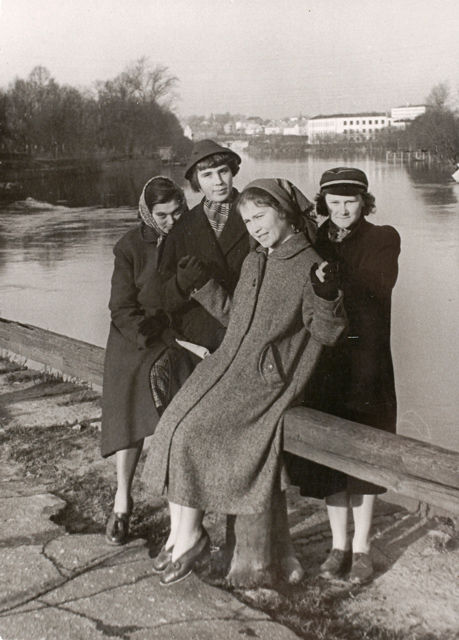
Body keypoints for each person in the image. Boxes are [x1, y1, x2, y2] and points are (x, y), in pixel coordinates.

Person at [141, 178, 347, 586]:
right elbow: (237, 317)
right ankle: (181, 535)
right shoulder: (256, 260)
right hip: (227, 367)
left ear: (285, 215)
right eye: (248, 219)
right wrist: (202, 287)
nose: (254, 226)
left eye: (261, 216)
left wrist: (326, 296)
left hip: (266, 380)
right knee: (173, 424)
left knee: (194, 433)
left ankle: (191, 537)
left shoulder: (311, 266)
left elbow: (328, 333)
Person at [286, 167, 401, 585]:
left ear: (364, 202)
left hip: (367, 363)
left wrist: (333, 283)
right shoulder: (312, 242)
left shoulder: (382, 237)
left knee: (366, 454)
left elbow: (378, 285)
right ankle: (338, 545)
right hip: (324, 363)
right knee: (331, 458)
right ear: (323, 204)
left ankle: (363, 548)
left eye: (350, 201)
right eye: (333, 203)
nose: (342, 210)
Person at [102, 176, 194, 546]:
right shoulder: (129, 246)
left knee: (181, 415)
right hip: (137, 336)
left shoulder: (193, 238)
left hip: (180, 335)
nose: (171, 221)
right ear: (147, 212)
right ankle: (123, 498)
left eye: (177, 212)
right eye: (162, 215)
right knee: (127, 400)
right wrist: (147, 332)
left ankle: (181, 513)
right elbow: (121, 307)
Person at [157, 139, 250, 353]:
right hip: (201, 340)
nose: (218, 181)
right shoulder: (182, 228)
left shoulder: (255, 214)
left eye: (223, 171)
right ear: (196, 181)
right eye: (207, 175)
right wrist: (180, 283)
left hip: (247, 330)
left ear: (232, 172)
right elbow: (163, 298)